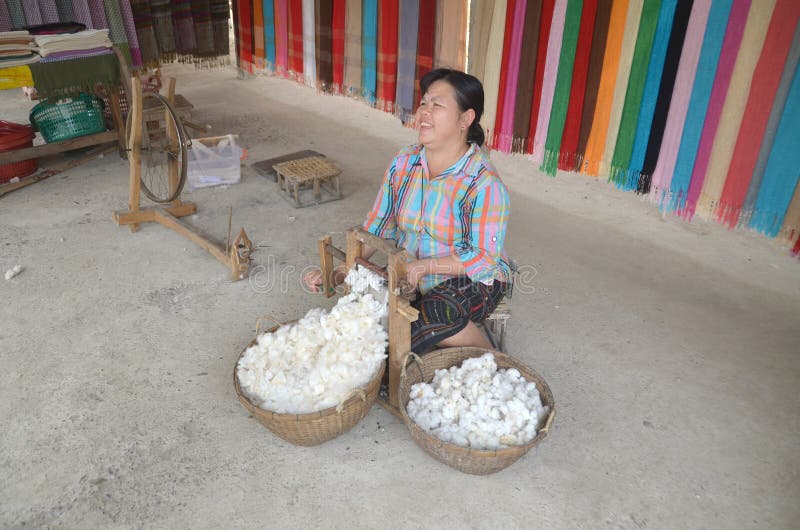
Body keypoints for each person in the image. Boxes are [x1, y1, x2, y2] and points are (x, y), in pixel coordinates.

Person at [304, 68, 512, 354]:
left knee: (421, 320)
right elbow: (377, 227)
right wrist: (341, 270)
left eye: (437, 105)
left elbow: (483, 259)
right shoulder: (404, 163)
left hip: (472, 278)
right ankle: (439, 334)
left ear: (465, 119)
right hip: (409, 274)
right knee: (372, 321)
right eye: (424, 103)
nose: (424, 112)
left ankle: (493, 360)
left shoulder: (483, 182)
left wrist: (424, 267)